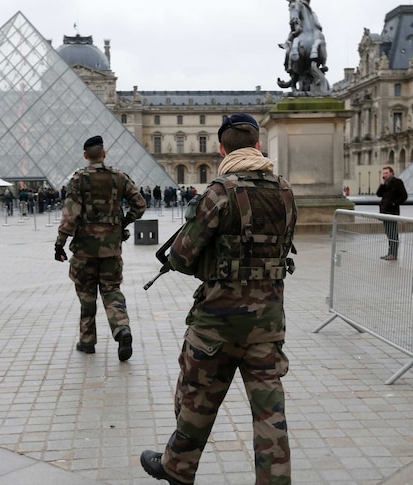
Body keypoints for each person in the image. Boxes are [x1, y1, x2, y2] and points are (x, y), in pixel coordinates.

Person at [140, 114, 297, 485]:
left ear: (222, 149)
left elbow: (180, 256)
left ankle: (177, 468)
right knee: (270, 415)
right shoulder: (286, 190)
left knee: (197, 400)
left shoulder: (219, 191)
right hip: (268, 324)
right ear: (258, 146)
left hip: (217, 323)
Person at [54, 135, 146, 361]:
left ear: (86, 156)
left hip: (84, 251)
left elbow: (70, 215)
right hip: (111, 250)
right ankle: (122, 329)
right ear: (104, 154)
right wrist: (123, 222)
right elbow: (140, 205)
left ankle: (87, 342)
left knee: (86, 296)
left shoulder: (78, 180)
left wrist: (60, 243)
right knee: (111, 290)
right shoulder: (119, 178)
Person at [375, 166, 408, 260]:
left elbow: (404, 196)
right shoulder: (385, 183)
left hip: (392, 212)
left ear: (391, 173)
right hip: (384, 212)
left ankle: (393, 254)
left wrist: (394, 203)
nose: (384, 175)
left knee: (393, 233)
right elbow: (378, 194)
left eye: (386, 173)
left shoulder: (397, 182)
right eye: (383, 173)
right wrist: (382, 184)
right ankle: (390, 252)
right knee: (388, 233)